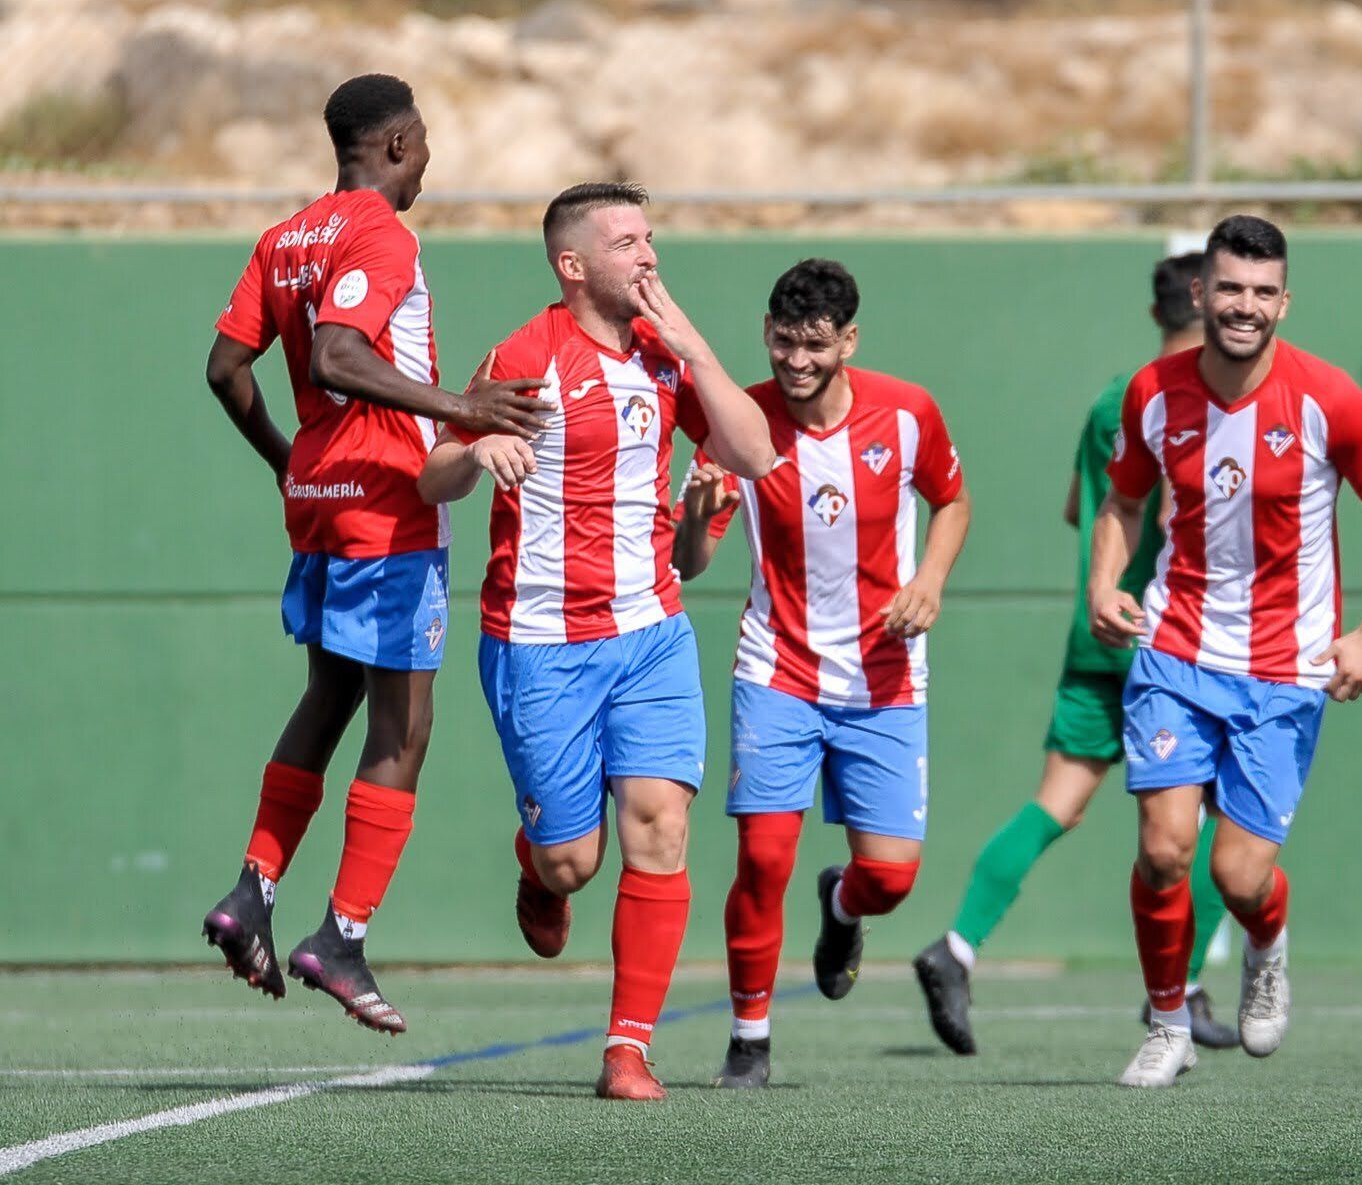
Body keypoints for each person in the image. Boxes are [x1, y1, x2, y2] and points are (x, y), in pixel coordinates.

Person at [201, 73, 550, 1033]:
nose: (429, 159)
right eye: (425, 141)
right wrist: (464, 410)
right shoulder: (381, 234)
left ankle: (252, 892)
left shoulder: (284, 238)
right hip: (385, 512)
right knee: (404, 730)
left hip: (318, 502)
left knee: (330, 696)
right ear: (395, 145)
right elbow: (338, 355)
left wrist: (287, 461)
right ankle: (341, 938)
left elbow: (227, 367)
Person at [416, 182, 776, 1100]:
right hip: (540, 642)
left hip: (651, 633)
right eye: (626, 243)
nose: (648, 255)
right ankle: (539, 867)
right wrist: (477, 452)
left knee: (661, 826)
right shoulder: (527, 355)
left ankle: (628, 1049)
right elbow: (432, 476)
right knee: (574, 860)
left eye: (650, 237)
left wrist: (695, 345)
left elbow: (754, 452)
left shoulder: (664, 353)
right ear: (573, 265)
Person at [1090, 215, 1362, 1087]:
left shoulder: (1327, 398)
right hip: (1175, 647)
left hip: (1286, 666)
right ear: (1200, 293)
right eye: (1229, 288)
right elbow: (1123, 502)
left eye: (1262, 292)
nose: (1245, 306)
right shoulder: (1153, 393)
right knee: (1165, 849)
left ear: (1285, 300)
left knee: (1240, 877)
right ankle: (1167, 1024)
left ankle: (1265, 948)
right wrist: (1103, 583)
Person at [913, 253, 1240, 1055]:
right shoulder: (1189, 400)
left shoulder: (1110, 400)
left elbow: (1079, 508)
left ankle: (955, 947)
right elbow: (1180, 516)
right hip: (1175, 639)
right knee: (1231, 825)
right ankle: (1184, 984)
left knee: (1056, 802)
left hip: (1094, 634)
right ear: (1209, 300)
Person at [672, 259, 971, 1089]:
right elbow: (690, 562)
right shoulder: (739, 423)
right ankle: (750, 1039)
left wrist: (930, 581)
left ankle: (842, 907)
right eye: (780, 342)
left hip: (885, 678)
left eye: (813, 345)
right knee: (763, 860)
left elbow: (952, 499)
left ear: (847, 341)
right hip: (778, 671)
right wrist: (698, 513)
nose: (794, 361)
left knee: (892, 877)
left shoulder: (908, 413)